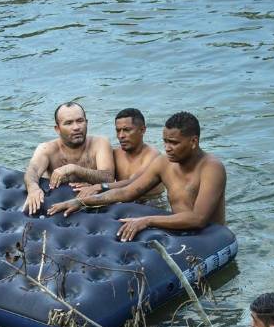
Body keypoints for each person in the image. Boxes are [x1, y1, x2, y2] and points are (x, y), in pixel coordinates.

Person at [46, 111, 226, 241]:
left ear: (193, 141)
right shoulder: (164, 163)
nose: (167, 147)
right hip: (177, 230)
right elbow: (128, 192)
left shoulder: (212, 168)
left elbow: (198, 219)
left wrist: (146, 221)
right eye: (165, 141)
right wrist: (80, 202)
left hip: (209, 237)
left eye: (174, 143)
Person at [22, 102, 116, 215]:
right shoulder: (47, 149)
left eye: (80, 121)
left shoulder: (100, 143)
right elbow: (32, 171)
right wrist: (33, 188)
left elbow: (109, 177)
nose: (76, 127)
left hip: (92, 207)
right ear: (57, 129)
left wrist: (74, 169)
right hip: (58, 205)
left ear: (87, 123)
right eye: (68, 123)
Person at [72, 108, 160, 200]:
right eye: (118, 130)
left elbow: (135, 182)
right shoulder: (115, 154)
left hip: (152, 202)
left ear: (142, 130)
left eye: (127, 130)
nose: (121, 136)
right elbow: (104, 176)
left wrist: (100, 186)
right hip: (123, 201)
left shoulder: (153, 155)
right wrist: (90, 184)